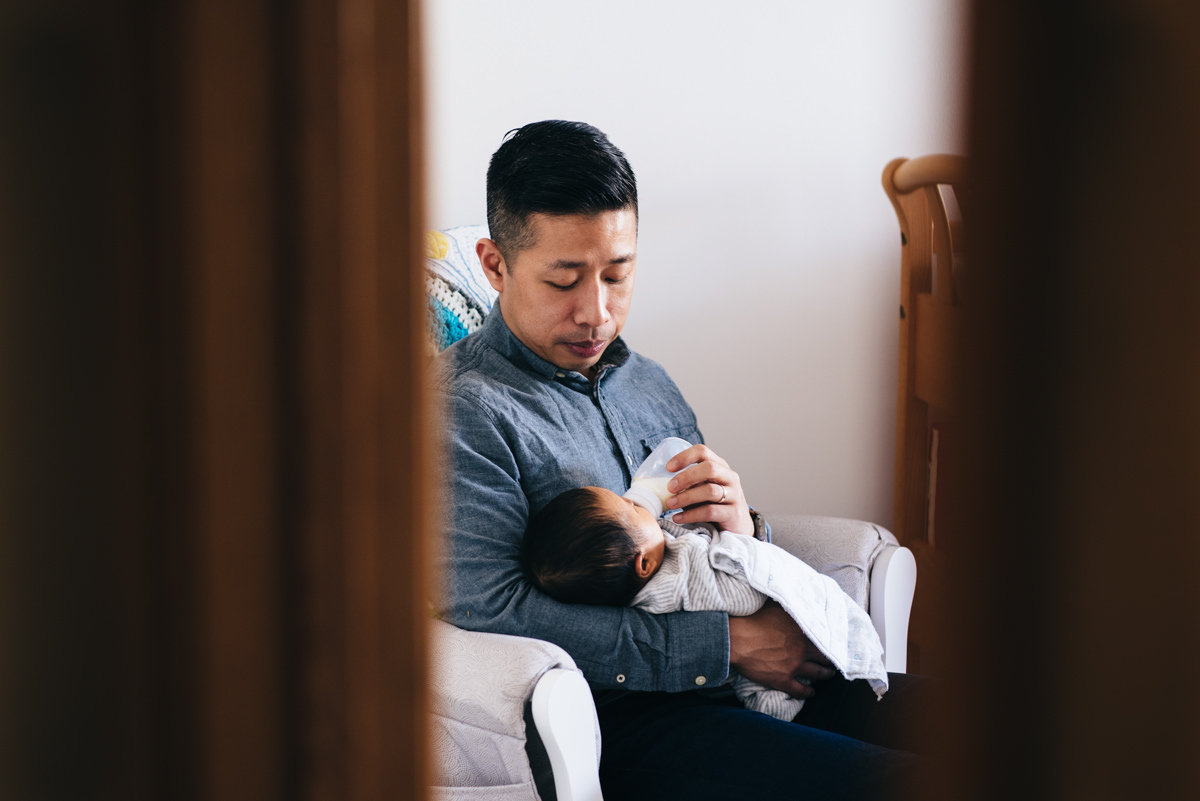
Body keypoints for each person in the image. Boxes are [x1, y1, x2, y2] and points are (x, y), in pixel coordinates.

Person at [434, 119, 930, 800]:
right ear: (495, 265)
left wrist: (742, 523)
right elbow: (497, 614)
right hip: (620, 719)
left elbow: (699, 551)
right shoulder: (464, 413)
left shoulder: (647, 383)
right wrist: (727, 644)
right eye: (564, 280)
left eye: (618, 273)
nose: (597, 312)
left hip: (753, 687)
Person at [522, 485, 889, 723]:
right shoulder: (670, 584)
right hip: (708, 696)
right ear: (643, 564)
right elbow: (742, 597)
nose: (635, 500)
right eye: (630, 509)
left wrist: (740, 525)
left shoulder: (652, 556)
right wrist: (738, 626)